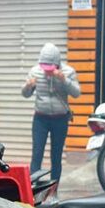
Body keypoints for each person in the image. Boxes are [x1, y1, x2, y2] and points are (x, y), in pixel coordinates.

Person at [22, 43, 81, 185]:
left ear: (57, 64)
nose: (47, 71)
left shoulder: (68, 71)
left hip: (60, 119)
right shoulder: (35, 71)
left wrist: (64, 80)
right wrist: (28, 86)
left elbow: (76, 93)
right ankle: (33, 190)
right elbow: (25, 94)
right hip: (40, 119)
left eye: (50, 68)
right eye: (45, 68)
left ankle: (53, 191)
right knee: (37, 154)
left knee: (56, 156)